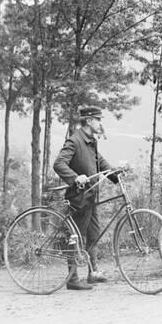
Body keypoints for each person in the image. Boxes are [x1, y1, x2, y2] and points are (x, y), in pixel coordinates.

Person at [53, 106, 118, 290]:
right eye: (98, 119)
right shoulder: (75, 141)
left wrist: (116, 174)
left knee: (93, 235)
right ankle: (72, 279)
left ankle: (93, 272)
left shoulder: (91, 141)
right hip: (79, 197)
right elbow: (59, 164)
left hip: (91, 196)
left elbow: (100, 162)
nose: (100, 123)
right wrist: (75, 178)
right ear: (89, 121)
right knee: (75, 236)